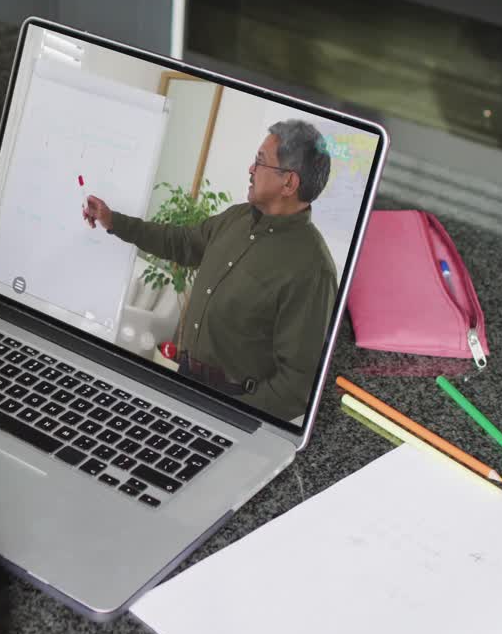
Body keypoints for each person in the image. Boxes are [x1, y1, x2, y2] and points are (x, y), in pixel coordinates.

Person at [82, 120, 337, 420]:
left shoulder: (313, 268)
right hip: (185, 379)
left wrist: (235, 416)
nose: (251, 169)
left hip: (231, 405)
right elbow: (179, 242)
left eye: (260, 161)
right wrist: (113, 221)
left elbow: (296, 386)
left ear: (289, 183)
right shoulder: (236, 218)